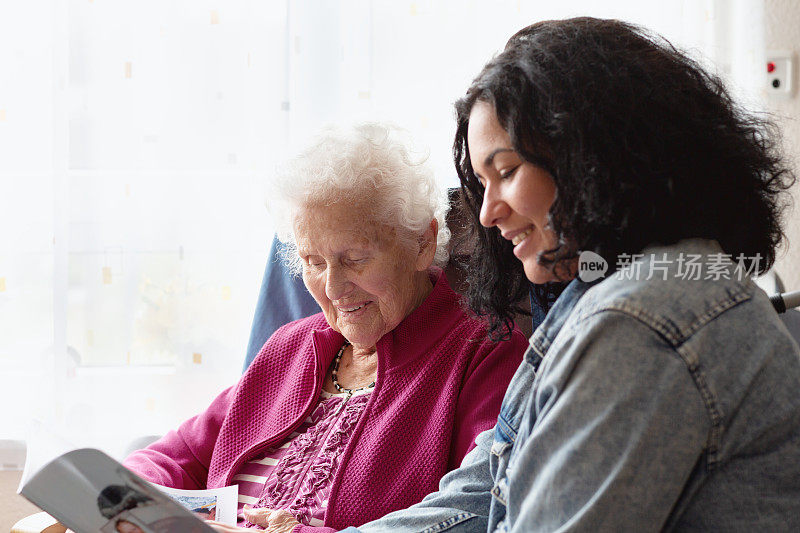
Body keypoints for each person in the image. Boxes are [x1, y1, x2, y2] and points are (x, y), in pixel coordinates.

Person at [343, 17, 800, 532]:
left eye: (508, 171)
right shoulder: (612, 295)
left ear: (594, 155)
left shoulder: (638, 323)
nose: (488, 214)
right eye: (482, 181)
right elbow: (476, 498)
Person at [122, 122, 527, 533]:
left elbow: (479, 511)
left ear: (422, 243)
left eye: (354, 259)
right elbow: (173, 456)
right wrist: (116, 502)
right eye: (314, 262)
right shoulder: (291, 347)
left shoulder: (485, 352)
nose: (332, 288)